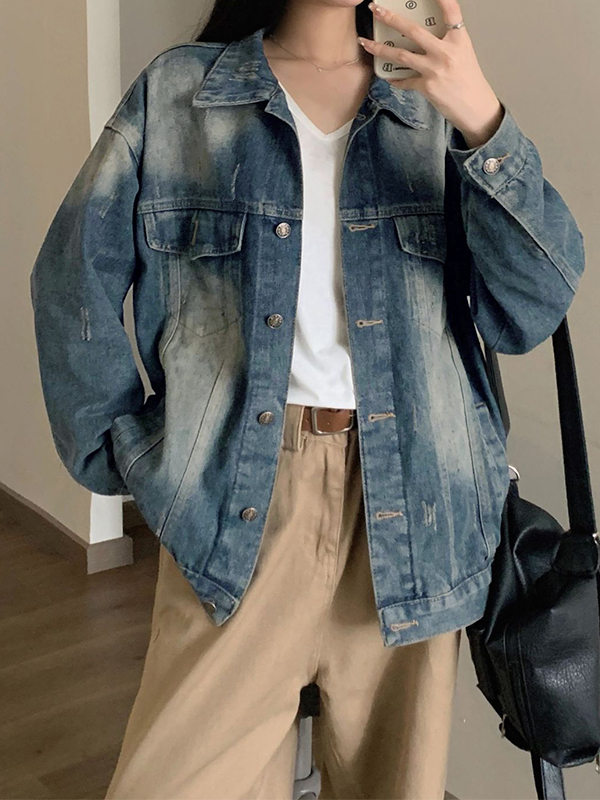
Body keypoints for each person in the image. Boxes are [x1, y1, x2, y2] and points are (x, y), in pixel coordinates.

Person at [29, 0, 586, 797]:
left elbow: (531, 308)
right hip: (235, 500)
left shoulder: (429, 103)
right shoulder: (181, 93)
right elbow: (71, 278)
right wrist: (128, 450)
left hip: (416, 508)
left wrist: (481, 118)